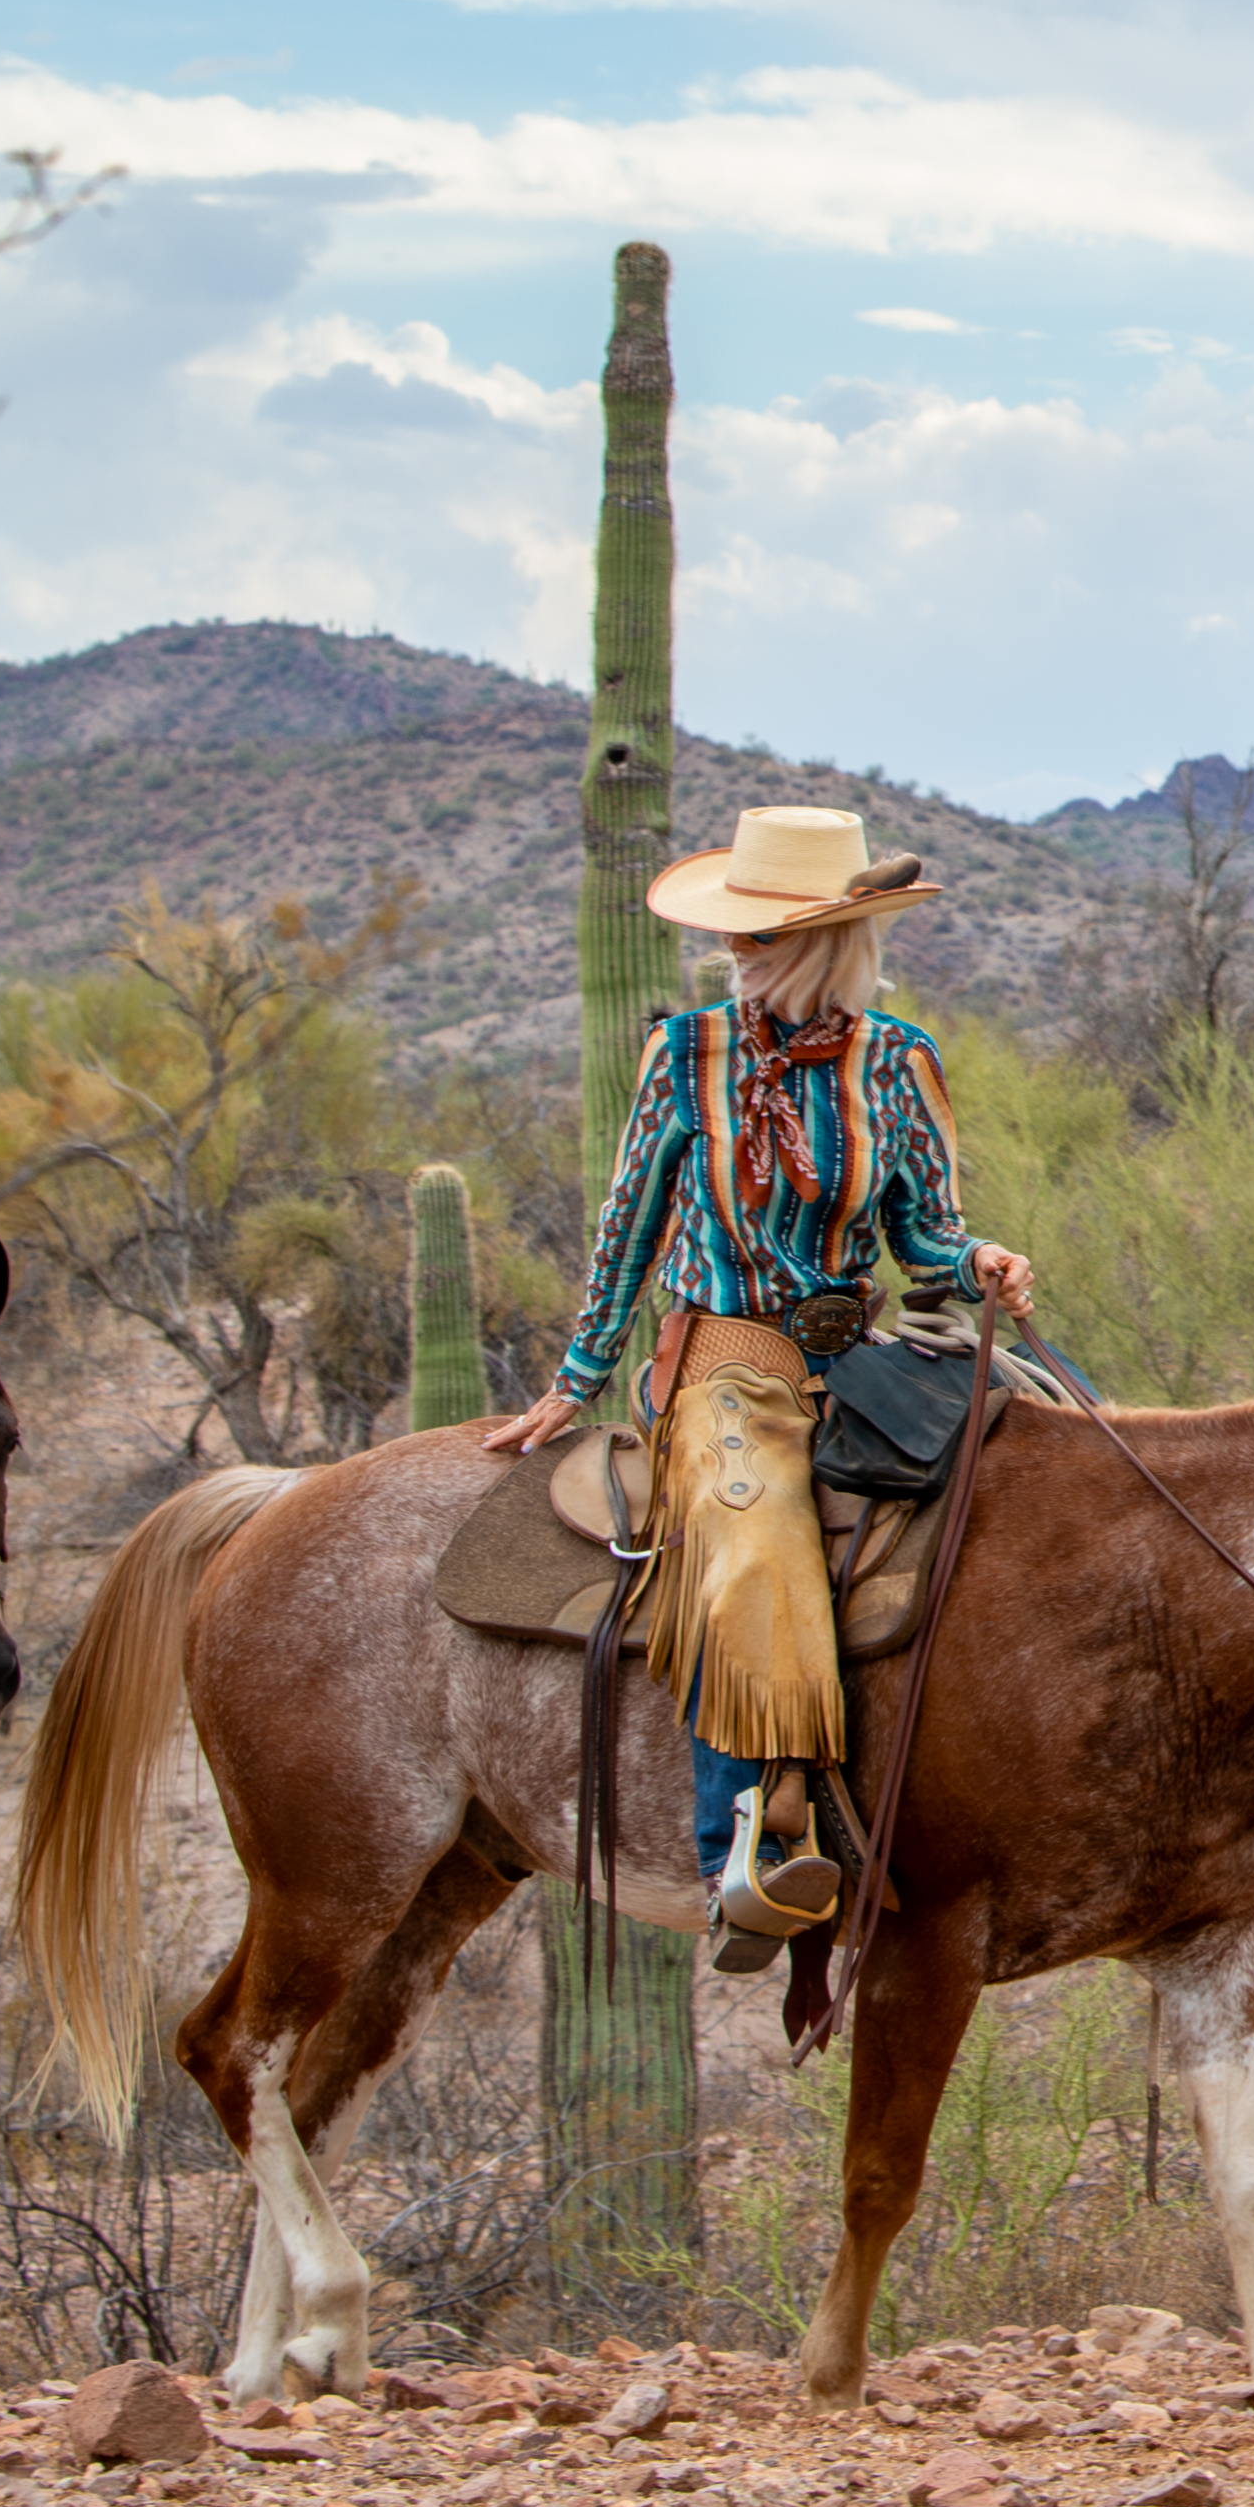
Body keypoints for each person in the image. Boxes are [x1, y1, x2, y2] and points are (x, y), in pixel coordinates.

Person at [476, 806, 1036, 1952]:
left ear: (825, 941)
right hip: (727, 1352)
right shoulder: (688, 1052)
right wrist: (578, 1373)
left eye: (757, 937)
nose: (733, 954)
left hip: (852, 1347)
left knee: (1045, 1450)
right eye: (734, 937)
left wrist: (975, 1261)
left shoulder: (899, 1057)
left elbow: (924, 1232)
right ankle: (748, 1841)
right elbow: (628, 1225)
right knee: (756, 1525)